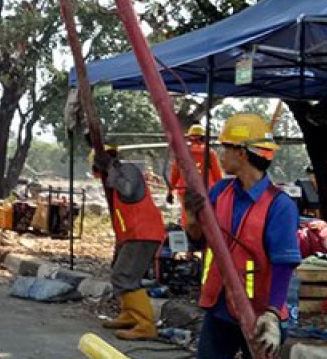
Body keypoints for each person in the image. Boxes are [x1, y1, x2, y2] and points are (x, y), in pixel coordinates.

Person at [183, 113, 301, 359]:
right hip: (220, 306)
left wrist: (272, 314)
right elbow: (199, 241)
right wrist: (192, 218)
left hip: (259, 316)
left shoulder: (279, 206)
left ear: (242, 153)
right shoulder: (219, 192)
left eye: (225, 147)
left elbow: (284, 264)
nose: (220, 154)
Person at [92, 144, 165, 341]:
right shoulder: (115, 177)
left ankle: (145, 324)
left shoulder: (126, 171)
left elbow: (129, 190)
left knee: (125, 276)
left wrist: (111, 170)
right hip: (132, 234)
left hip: (143, 233)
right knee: (119, 273)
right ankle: (129, 315)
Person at [168, 124, 224, 229]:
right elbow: (218, 176)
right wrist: (221, 194)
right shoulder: (210, 153)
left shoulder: (181, 153)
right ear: (203, 137)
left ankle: (191, 240)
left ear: (189, 137)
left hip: (185, 191)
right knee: (207, 219)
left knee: (188, 219)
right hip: (206, 191)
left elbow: (175, 174)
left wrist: (170, 191)